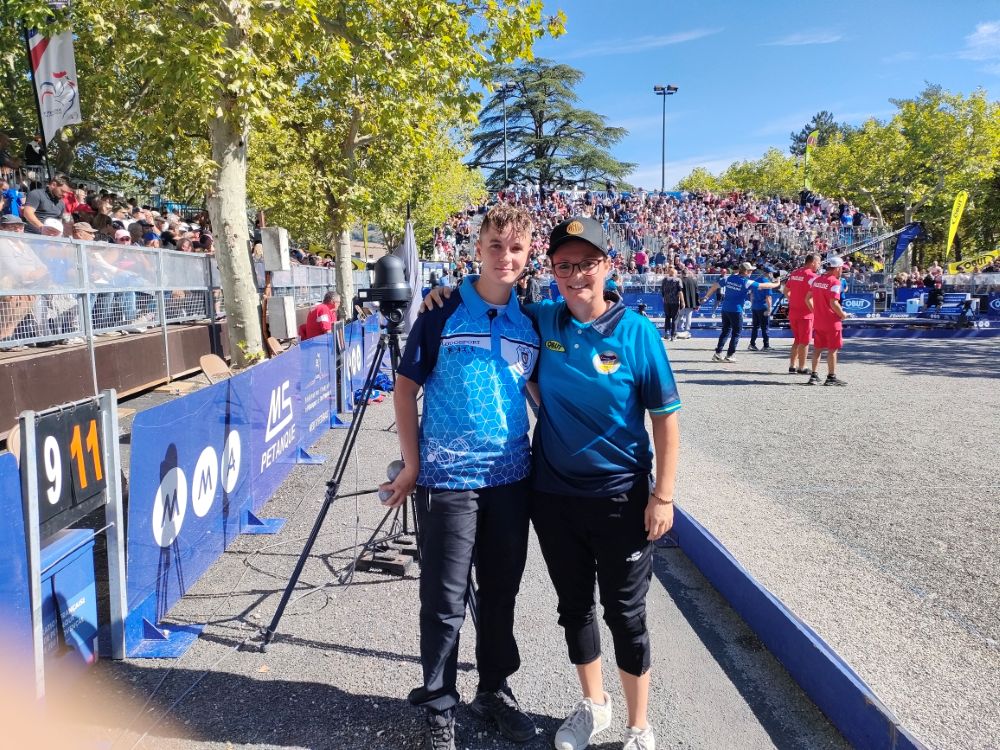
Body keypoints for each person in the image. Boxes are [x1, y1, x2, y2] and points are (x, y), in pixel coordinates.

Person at [420, 216, 680, 750]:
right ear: (552, 270)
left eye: (587, 263)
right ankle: (594, 706)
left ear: (607, 265)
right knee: (574, 607)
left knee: (626, 615)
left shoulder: (638, 332)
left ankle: (639, 727)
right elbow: (491, 304)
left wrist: (664, 495)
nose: (576, 274)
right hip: (553, 495)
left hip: (621, 496)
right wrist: (442, 292)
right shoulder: (541, 318)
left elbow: (665, 420)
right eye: (564, 265)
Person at [380, 204, 540, 750]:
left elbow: (538, 390)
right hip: (447, 478)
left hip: (512, 479)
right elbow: (405, 388)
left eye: (515, 248)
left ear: (528, 255)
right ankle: (439, 701)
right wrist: (412, 464)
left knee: (501, 595)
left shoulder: (530, 321)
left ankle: (492, 691)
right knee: (444, 601)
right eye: (495, 246)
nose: (505, 257)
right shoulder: (441, 309)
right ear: (477, 249)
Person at [701, 262, 780, 363]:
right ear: (746, 271)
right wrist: (777, 283)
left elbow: (715, 286)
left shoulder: (729, 278)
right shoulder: (746, 282)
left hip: (725, 309)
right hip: (736, 310)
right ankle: (729, 355)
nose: (751, 272)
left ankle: (718, 353)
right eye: (750, 271)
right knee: (736, 333)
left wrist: (706, 297)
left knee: (725, 332)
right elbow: (764, 285)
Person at [804, 256, 848, 386]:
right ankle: (831, 377)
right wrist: (842, 314)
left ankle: (813, 376)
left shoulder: (816, 280)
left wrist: (816, 311)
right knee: (832, 349)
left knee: (817, 348)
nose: (842, 271)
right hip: (832, 321)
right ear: (837, 268)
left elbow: (807, 299)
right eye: (842, 269)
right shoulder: (835, 282)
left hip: (819, 321)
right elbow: (834, 303)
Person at [783, 254, 820, 374]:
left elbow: (786, 291)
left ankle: (792, 365)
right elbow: (812, 298)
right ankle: (802, 367)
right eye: (818, 262)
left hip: (793, 312)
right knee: (804, 341)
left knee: (797, 340)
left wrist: (793, 300)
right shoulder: (813, 277)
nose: (819, 265)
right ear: (813, 262)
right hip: (806, 314)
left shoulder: (794, 273)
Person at [747, 270, 773, 351]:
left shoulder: (755, 281)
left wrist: (752, 305)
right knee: (765, 327)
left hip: (755, 307)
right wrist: (769, 309)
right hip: (763, 307)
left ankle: (752, 344)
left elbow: (751, 294)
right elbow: (768, 297)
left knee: (755, 327)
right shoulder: (767, 283)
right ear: (769, 273)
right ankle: (766, 345)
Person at [659, 266, 683, 341]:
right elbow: (680, 291)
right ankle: (673, 335)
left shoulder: (664, 280)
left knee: (667, 318)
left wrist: (664, 298)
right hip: (675, 302)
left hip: (666, 302)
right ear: (675, 274)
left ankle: (667, 334)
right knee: (675, 319)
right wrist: (682, 301)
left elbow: (662, 291)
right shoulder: (678, 280)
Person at [676, 267, 699, 339]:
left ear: (682, 273)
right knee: (688, 317)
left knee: (680, 316)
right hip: (691, 303)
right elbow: (697, 292)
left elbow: (677, 292)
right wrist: (697, 303)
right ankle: (687, 332)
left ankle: (681, 330)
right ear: (688, 273)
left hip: (681, 302)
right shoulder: (694, 280)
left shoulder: (679, 281)